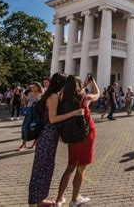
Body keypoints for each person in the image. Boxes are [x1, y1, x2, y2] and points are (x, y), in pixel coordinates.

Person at [28, 72, 85, 207]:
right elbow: (53, 119)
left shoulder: (50, 94)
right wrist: (74, 113)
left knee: (43, 168)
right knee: (43, 168)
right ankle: (38, 201)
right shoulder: (53, 96)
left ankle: (37, 199)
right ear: (61, 83)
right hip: (47, 137)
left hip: (47, 137)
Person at [55, 75, 100, 207]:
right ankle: (75, 199)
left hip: (72, 136)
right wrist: (93, 83)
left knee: (70, 167)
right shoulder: (84, 98)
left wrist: (84, 86)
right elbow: (97, 95)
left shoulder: (64, 99)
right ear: (78, 86)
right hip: (86, 134)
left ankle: (59, 199)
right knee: (81, 168)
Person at [18, 82, 44, 151]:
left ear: (38, 87)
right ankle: (24, 144)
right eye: (31, 87)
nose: (32, 88)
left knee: (35, 128)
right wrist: (23, 99)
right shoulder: (29, 93)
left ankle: (34, 144)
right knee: (25, 127)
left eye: (34, 87)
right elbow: (25, 103)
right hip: (29, 112)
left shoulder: (42, 95)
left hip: (36, 113)